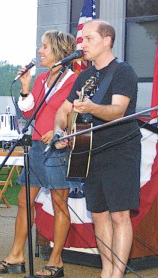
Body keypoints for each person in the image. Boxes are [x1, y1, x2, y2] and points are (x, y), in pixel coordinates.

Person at [0, 30, 81, 278]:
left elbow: (74, 114)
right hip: (37, 146)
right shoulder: (40, 79)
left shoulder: (74, 81)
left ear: (60, 52)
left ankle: (56, 260)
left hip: (58, 149)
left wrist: (59, 132)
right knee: (23, 202)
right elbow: (29, 113)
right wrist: (26, 86)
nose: (40, 51)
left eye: (45, 47)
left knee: (60, 204)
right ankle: (16, 255)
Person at [54, 20, 141, 278]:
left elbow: (118, 110)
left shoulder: (123, 71)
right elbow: (64, 110)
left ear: (107, 40)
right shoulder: (84, 76)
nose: (83, 44)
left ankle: (117, 273)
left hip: (120, 150)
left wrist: (91, 108)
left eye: (89, 39)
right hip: (90, 152)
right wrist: (61, 131)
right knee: (100, 215)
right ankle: (106, 271)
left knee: (119, 216)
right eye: (82, 39)